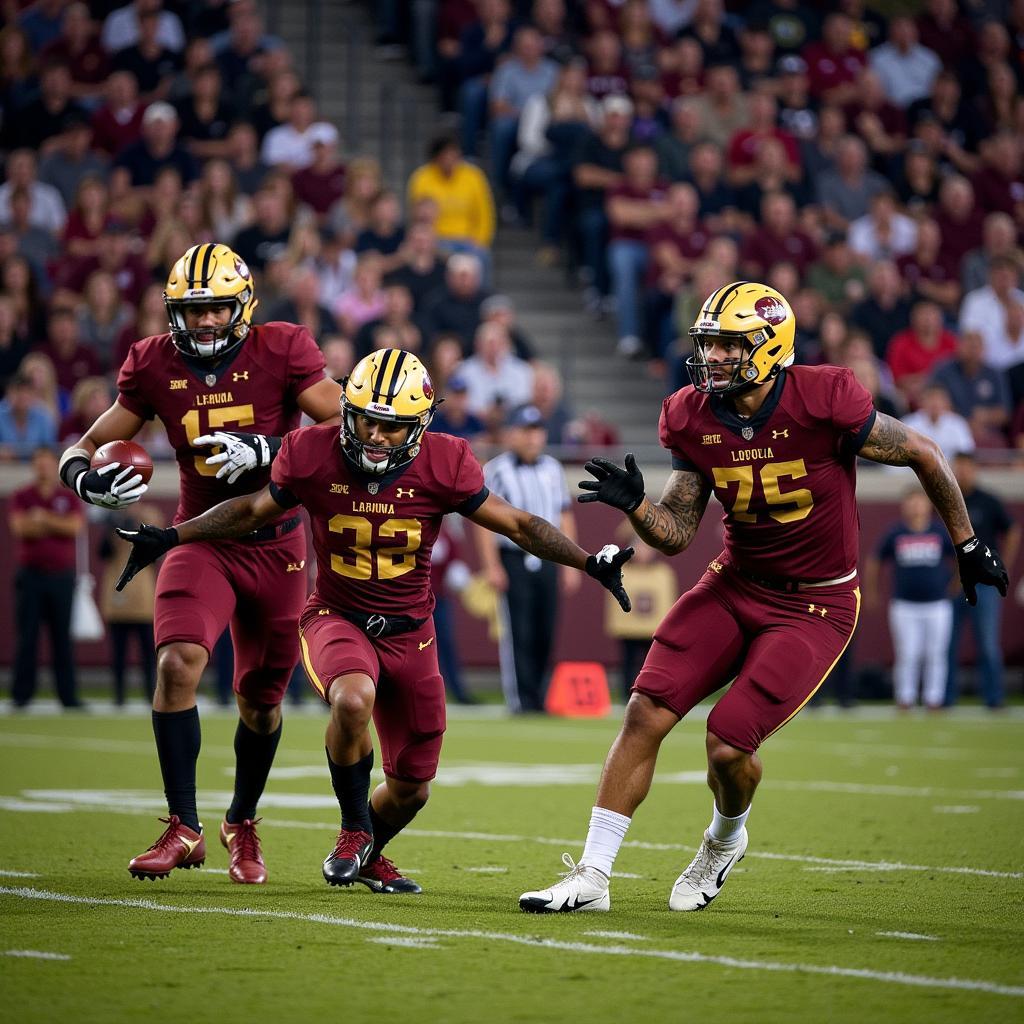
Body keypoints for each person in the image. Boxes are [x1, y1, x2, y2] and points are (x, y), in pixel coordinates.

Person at [519, 280, 1008, 915]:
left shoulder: (825, 396)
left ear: (770, 346)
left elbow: (923, 451)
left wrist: (966, 545)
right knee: (644, 711)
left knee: (727, 745)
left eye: (728, 346)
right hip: (734, 583)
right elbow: (676, 532)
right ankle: (591, 875)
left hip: (817, 604)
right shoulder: (691, 412)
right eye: (708, 345)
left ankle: (723, 840)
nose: (713, 358)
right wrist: (636, 505)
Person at [114, 348, 633, 894]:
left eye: (392, 426)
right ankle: (353, 830)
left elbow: (520, 525)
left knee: (412, 787)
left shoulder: (446, 460)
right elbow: (249, 510)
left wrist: (587, 560)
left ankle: (370, 850)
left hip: (413, 631)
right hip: (337, 616)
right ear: (347, 411)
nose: (377, 436)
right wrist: (172, 536)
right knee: (352, 699)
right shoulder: (311, 450)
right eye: (366, 420)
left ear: (419, 425)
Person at [58, 242, 343, 886]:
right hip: (200, 538)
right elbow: (89, 443)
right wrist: (84, 479)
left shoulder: (284, 348)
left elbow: (347, 430)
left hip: (278, 544)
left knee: (261, 701)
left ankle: (240, 821)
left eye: (216, 307)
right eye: (194, 309)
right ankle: (183, 825)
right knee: (175, 661)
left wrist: (271, 447)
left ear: (242, 306)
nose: (206, 321)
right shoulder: (155, 362)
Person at [476, 404, 579, 714]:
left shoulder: (553, 469)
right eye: (525, 431)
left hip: (547, 558)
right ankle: (521, 700)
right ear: (511, 434)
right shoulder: (495, 470)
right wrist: (491, 565)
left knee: (546, 629)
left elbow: (564, 515)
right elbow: (482, 522)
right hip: (513, 557)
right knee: (518, 631)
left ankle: (540, 696)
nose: (532, 438)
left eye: (537, 431)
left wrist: (572, 561)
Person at [864, 488, 956, 711]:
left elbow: (959, 558)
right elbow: (874, 560)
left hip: (937, 603)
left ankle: (934, 698)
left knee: (936, 654)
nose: (916, 506)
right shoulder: (896, 532)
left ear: (928, 505)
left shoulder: (939, 531)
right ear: (904, 506)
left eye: (920, 501)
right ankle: (905, 697)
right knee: (908, 653)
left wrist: (956, 586)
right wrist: (871, 590)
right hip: (904, 604)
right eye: (912, 501)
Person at [9, 446, 84, 709]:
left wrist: (44, 519)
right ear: (33, 466)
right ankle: (21, 695)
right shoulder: (22, 495)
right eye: (38, 463)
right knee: (26, 637)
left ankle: (68, 696)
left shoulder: (67, 497)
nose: (43, 468)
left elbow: (74, 526)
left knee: (62, 639)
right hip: (30, 577)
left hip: (61, 578)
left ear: (55, 466)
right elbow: (21, 528)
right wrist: (54, 524)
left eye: (47, 463)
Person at [946, 452, 1020, 709]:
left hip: (984, 584)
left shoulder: (988, 501)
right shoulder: (947, 498)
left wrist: (1001, 565)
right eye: (959, 468)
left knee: (988, 644)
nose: (962, 472)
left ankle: (994, 698)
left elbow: (1012, 530)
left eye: (967, 467)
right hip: (954, 583)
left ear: (975, 470)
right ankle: (945, 699)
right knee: (947, 644)